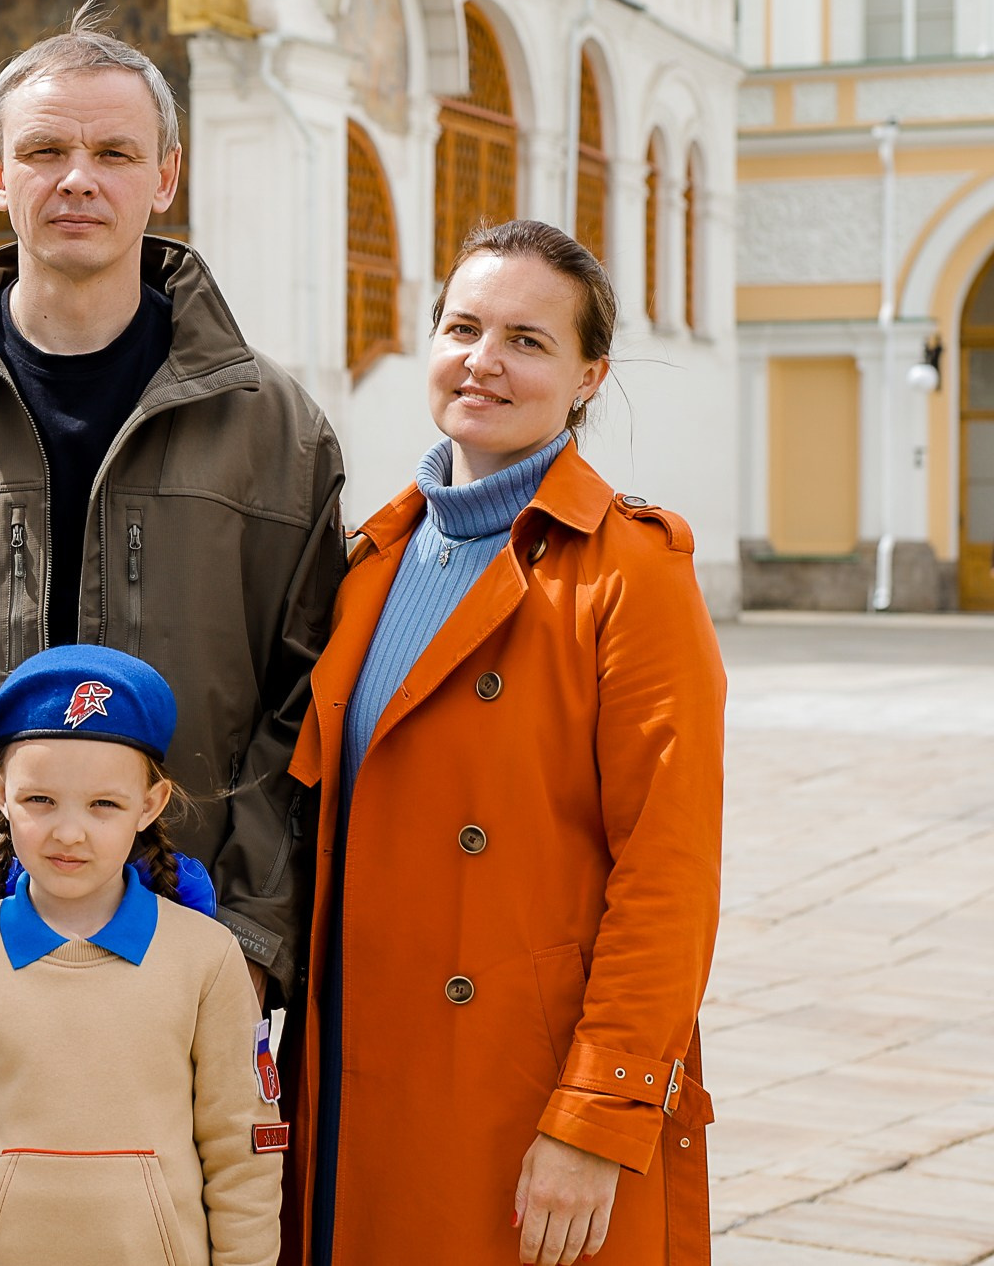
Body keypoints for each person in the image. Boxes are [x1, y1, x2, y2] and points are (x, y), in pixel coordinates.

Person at [0, 1, 347, 1067]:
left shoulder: (274, 428)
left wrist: (250, 945)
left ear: (164, 176)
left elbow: (309, 706)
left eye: (114, 151)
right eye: (45, 150)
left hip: (187, 958)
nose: (78, 177)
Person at [288, 221, 724, 1266]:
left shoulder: (630, 573)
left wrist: (597, 1113)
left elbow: (667, 876)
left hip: (518, 1093)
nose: (484, 360)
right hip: (353, 1071)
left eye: (528, 340)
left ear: (588, 376)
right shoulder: (367, 559)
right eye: (463, 326)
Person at [0, 645, 282, 1266]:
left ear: (149, 806)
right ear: (0, 791)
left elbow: (242, 1152)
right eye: (40, 800)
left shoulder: (207, 960)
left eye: (104, 805)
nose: (70, 832)